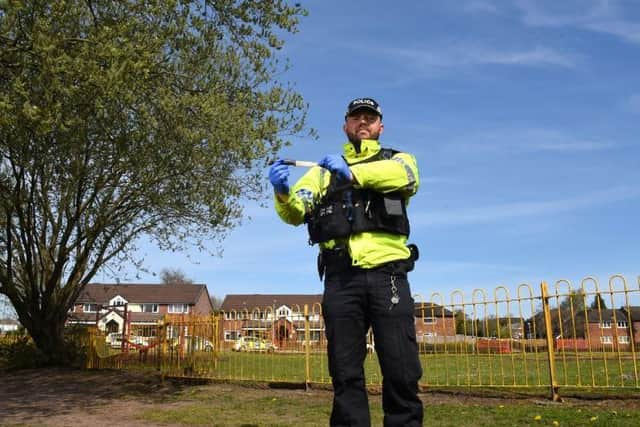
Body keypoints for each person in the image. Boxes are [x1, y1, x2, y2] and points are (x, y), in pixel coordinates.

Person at [268, 97, 423, 426]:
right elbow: (297, 211)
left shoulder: (398, 160)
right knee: (345, 371)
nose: (363, 122)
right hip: (340, 278)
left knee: (401, 369)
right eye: (356, 118)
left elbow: (406, 177)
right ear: (346, 126)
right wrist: (282, 193)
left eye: (370, 118)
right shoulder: (321, 174)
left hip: (388, 275)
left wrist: (351, 172)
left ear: (380, 126)